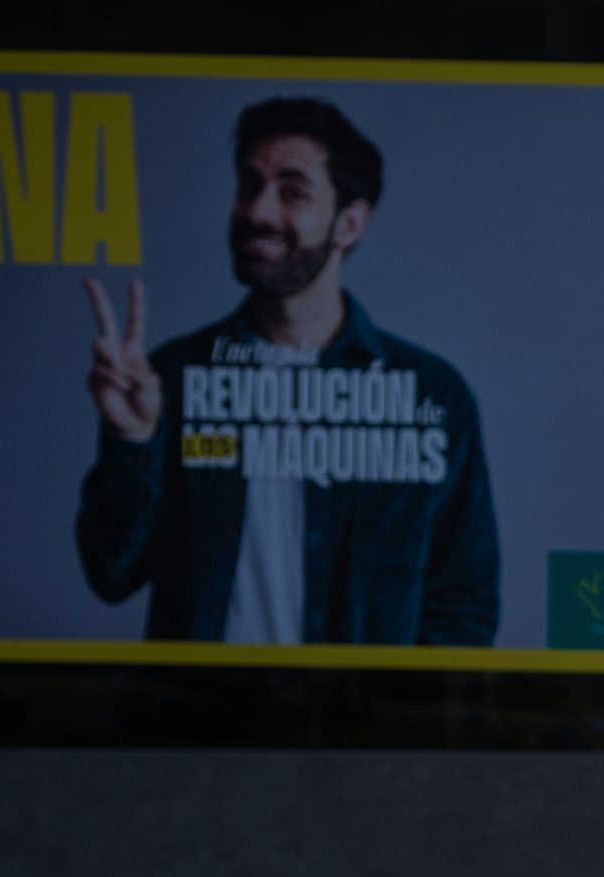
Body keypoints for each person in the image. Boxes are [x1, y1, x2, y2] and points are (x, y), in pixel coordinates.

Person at [75, 96, 498, 645]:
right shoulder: (172, 380)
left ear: (349, 222)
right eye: (249, 185)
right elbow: (111, 574)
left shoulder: (431, 397)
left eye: (292, 192)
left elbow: (463, 610)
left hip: (355, 728)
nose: (258, 212)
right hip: (200, 721)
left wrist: (393, 722)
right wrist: (133, 440)